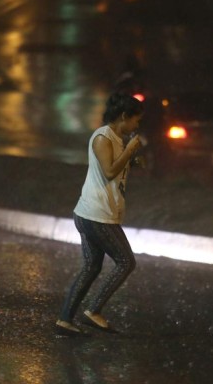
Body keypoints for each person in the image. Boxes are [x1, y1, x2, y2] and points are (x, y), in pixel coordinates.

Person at [55, 93, 144, 336]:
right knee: (126, 262)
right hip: (96, 214)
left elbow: (117, 166)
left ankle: (65, 320)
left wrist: (133, 160)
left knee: (92, 266)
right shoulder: (103, 137)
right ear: (124, 117)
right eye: (136, 121)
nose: (137, 126)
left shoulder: (117, 138)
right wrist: (130, 151)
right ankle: (93, 311)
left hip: (94, 213)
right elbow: (108, 171)